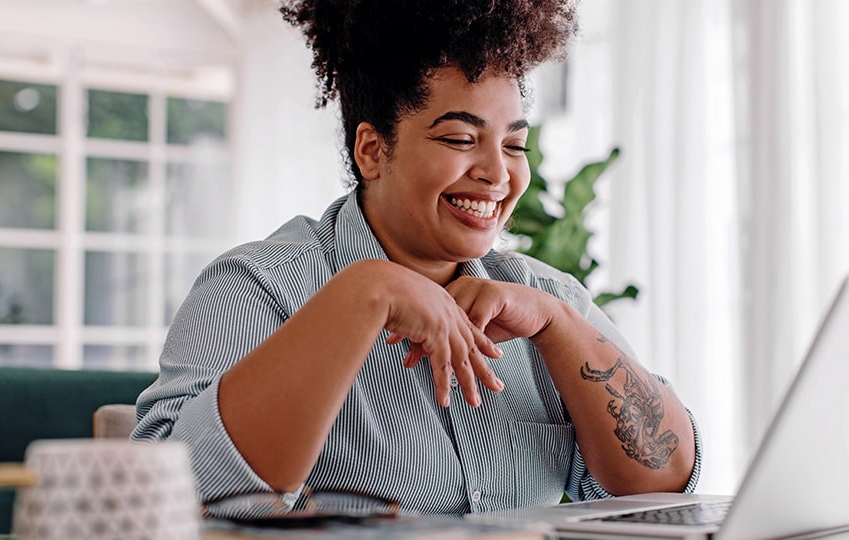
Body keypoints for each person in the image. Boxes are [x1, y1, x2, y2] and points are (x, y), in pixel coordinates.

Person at [133, 0, 701, 517]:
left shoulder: (547, 300)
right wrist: (367, 294)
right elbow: (170, 496)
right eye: (459, 139)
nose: (498, 174)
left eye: (514, 145)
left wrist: (559, 328)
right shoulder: (254, 288)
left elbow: (663, 488)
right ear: (373, 150)